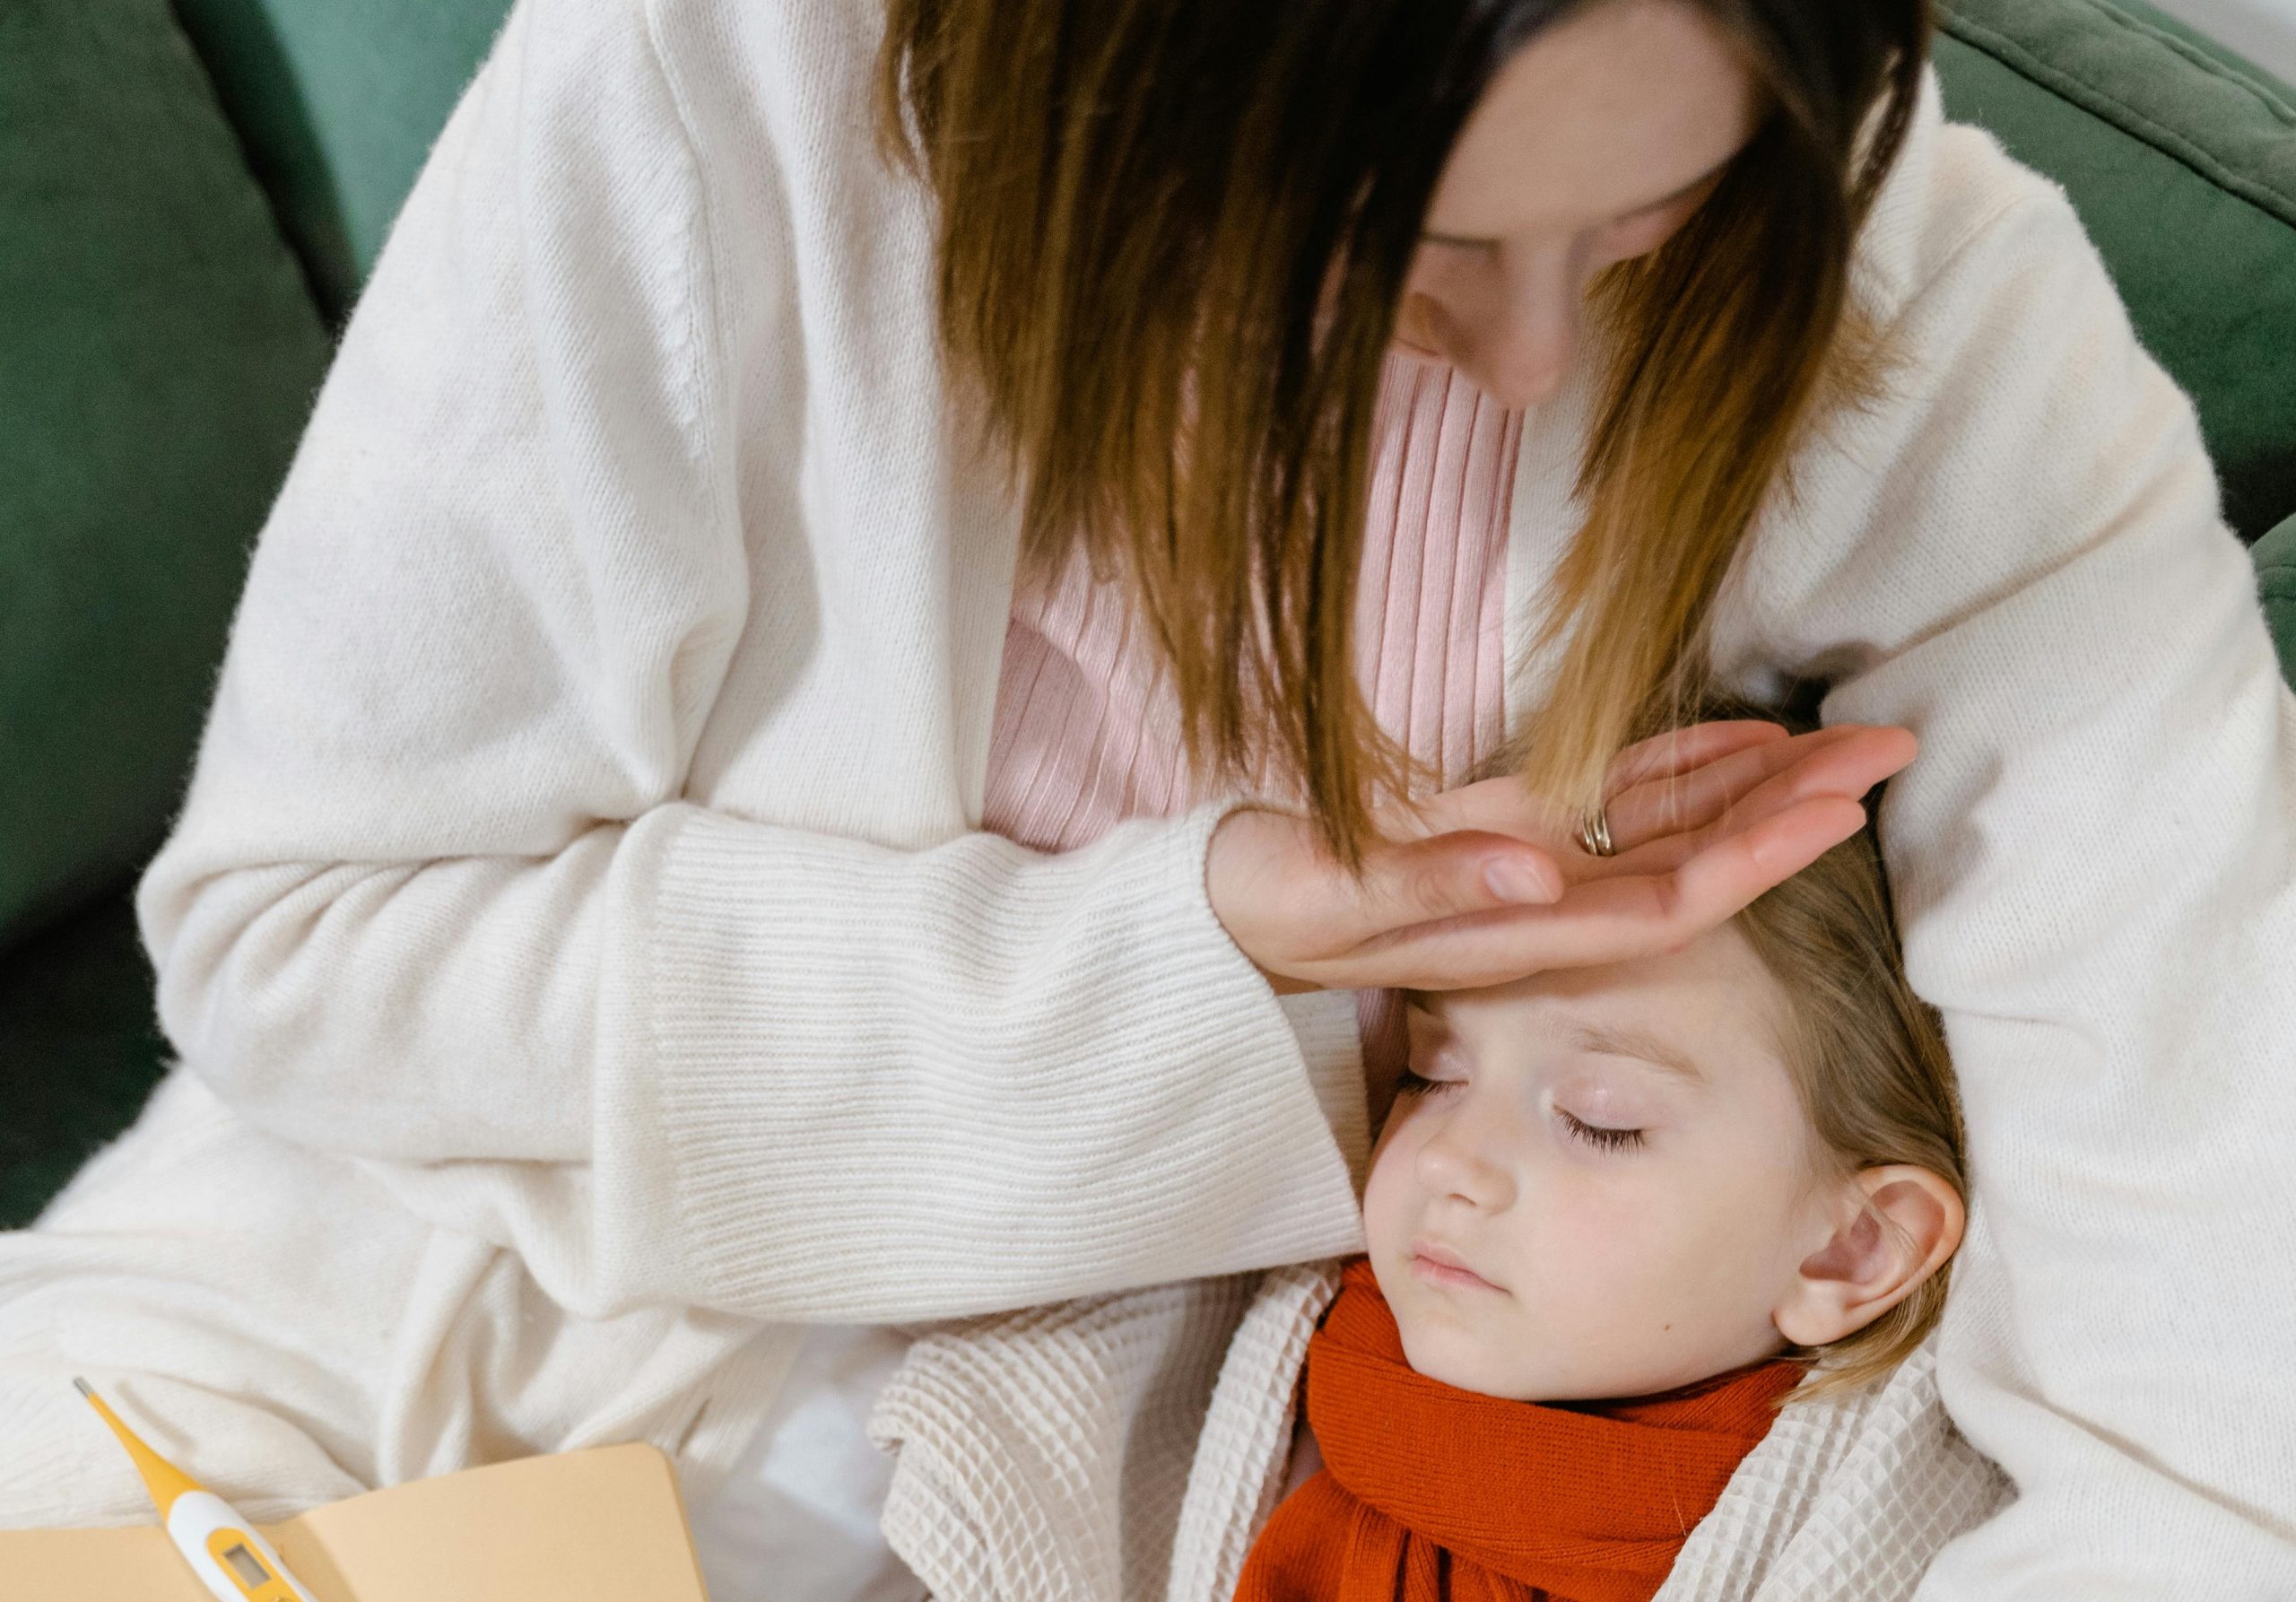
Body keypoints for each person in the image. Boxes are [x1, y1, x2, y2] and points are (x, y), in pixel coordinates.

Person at [0, 0, 2289, 1598]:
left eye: (1652, 223)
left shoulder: (1941, 325)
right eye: (1428, 254)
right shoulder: (726, 88)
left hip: (1118, 1472)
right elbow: (305, 946)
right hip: (401, 1301)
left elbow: (2195, 1349)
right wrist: (1222, 940)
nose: (1534, 360)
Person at [1234, 797, 1991, 1598]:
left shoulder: (1886, 1550)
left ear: (1855, 1247)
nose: (1447, 1160)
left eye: (1598, 1122)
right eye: (1431, 1071)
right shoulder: (1302, 1404)